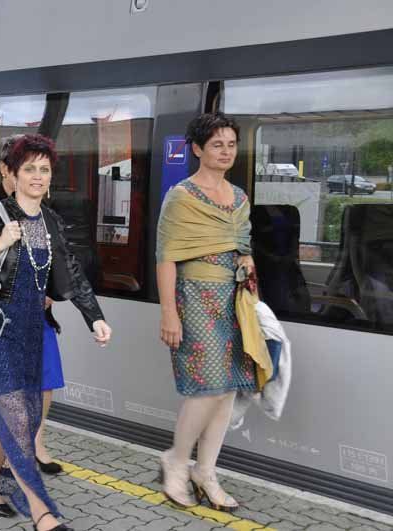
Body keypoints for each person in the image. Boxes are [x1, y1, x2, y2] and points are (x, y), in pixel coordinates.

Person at [0, 134, 112, 531]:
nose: (38, 176)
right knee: (17, 417)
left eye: (44, 169)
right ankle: (42, 513)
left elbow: (71, 272)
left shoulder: (50, 220)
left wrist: (94, 317)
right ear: (13, 173)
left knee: (2, 418)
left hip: (31, 328)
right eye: (29, 169)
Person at [156, 112, 259, 511]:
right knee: (207, 388)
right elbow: (166, 257)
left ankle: (206, 470)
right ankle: (177, 461)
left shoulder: (240, 198)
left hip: (234, 302)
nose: (226, 151)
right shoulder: (181, 196)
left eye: (231, 144)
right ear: (198, 149)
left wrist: (252, 295)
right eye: (217, 145)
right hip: (195, 298)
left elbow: (244, 250)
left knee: (228, 389)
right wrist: (169, 313)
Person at [0, 135, 63, 474]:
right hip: (4, 315)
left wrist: (52, 291)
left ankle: (35, 440)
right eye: (23, 167)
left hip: (38, 313)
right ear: (6, 170)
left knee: (45, 379)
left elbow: (54, 260)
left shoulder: (42, 211)